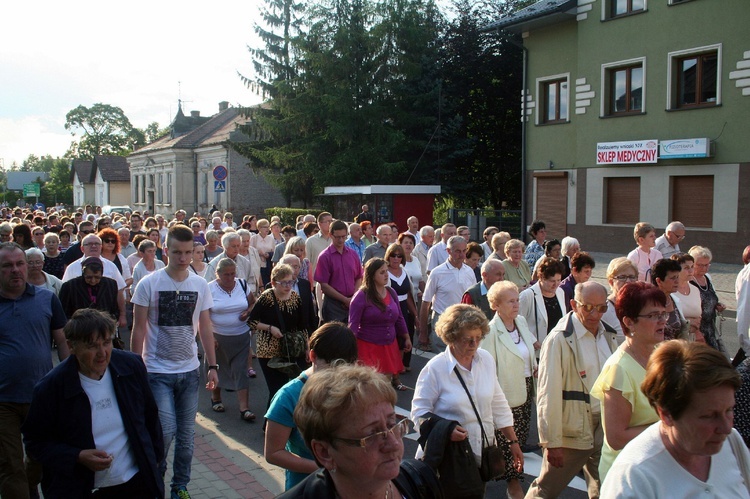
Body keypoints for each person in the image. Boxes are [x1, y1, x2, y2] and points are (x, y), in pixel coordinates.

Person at [21, 309, 164, 499]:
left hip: (135, 484)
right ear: (71, 346)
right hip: (80, 489)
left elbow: (150, 418)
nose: (102, 353)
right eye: (92, 346)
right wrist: (77, 456)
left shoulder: (130, 367)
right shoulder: (51, 388)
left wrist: (154, 461)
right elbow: (35, 443)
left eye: (106, 343)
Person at [130, 225, 219, 499]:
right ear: (165, 250)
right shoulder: (149, 283)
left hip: (189, 371)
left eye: (188, 252)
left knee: (187, 439)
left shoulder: (200, 284)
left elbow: (205, 326)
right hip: (156, 371)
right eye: (177, 252)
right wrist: (137, 368)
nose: (183, 258)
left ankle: (180, 486)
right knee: (165, 430)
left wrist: (212, 366)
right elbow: (138, 328)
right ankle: (154, 480)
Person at [601, 341, 750, 498]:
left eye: (729, 410)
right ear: (666, 415)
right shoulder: (634, 478)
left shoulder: (731, 442)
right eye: (708, 416)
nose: (726, 428)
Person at [412, 304, 523, 498]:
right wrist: (447, 431)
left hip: (480, 456)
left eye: (478, 338)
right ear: (451, 337)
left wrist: (513, 442)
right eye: (468, 339)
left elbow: (498, 403)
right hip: (449, 460)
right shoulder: (435, 368)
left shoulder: (486, 360)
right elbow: (418, 413)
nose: (474, 344)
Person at [280, 364, 433, 499]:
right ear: (324, 452)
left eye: (392, 424)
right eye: (372, 435)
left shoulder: (421, 479)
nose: (394, 444)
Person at [526, 281, 618, 499]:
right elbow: (547, 393)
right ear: (573, 305)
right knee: (546, 489)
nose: (595, 314)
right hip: (572, 428)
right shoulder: (558, 340)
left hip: (604, 426)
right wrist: (552, 442)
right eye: (588, 307)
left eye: (601, 308)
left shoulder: (609, 336)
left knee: (604, 488)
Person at [0, 242, 69, 498]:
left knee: (38, 461)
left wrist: (70, 378)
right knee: (10, 466)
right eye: (7, 266)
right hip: (3, 400)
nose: (15, 270)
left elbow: (62, 341)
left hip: (41, 395)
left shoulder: (46, 298)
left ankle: (30, 488)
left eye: (20, 264)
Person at [265, 323, 358, 490]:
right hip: (307, 488)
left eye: (345, 367)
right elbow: (273, 453)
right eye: (331, 366)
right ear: (313, 356)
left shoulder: (353, 388)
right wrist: (324, 468)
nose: (338, 375)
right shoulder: (288, 397)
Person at [590, 281, 664, 483]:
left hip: (656, 469)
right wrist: (669, 428)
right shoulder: (619, 369)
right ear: (629, 322)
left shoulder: (661, 355)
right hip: (628, 475)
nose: (662, 321)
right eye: (653, 316)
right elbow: (616, 438)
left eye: (662, 314)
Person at [481, 281, 538, 499]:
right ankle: (512, 481)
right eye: (510, 301)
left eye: (517, 300)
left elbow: (529, 350)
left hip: (525, 387)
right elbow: (487, 368)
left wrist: (533, 365)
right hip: (504, 392)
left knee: (520, 436)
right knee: (506, 438)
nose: (516, 305)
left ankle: (512, 474)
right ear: (496, 305)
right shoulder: (490, 332)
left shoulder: (521, 322)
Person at [249, 264, 310, 412]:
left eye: (290, 282)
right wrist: (270, 328)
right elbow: (251, 322)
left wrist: (307, 348)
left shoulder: (295, 298)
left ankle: (280, 423)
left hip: (289, 349)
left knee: (288, 387)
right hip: (268, 350)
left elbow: (302, 325)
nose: (288, 286)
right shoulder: (267, 297)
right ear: (275, 282)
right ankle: (270, 424)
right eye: (284, 283)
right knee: (276, 388)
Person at [350, 258, 412, 390]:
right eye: (382, 272)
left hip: (389, 345)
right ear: (372, 276)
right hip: (368, 346)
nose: (386, 275)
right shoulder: (361, 296)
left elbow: (400, 317)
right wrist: (351, 351)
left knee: (385, 384)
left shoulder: (391, 292)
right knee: (370, 386)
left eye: (386, 271)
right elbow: (353, 325)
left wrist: (406, 337)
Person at [208, 258, 256, 422]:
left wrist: (248, 312)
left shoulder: (242, 284)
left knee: (241, 370)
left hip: (241, 336)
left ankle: (244, 408)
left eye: (232, 274)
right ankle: (216, 398)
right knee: (217, 368)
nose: (229, 277)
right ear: (218, 274)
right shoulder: (209, 288)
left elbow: (252, 303)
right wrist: (209, 337)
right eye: (226, 275)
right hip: (218, 337)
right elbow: (203, 315)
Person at [419, 235, 476, 351]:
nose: (462, 255)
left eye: (464, 251)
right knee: (441, 360)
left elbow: (473, 299)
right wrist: (423, 332)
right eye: (457, 251)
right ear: (448, 251)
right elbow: (425, 303)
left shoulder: (469, 271)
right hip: (443, 321)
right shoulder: (437, 273)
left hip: (464, 321)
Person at [314, 220, 363, 323]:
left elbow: (359, 277)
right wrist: (345, 300)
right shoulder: (325, 256)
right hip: (333, 304)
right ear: (331, 235)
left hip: (352, 300)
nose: (341, 240)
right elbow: (324, 285)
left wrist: (353, 297)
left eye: (343, 236)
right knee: (335, 336)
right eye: (338, 237)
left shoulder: (353, 254)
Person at [385, 245, 419, 372]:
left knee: (405, 339)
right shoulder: (384, 272)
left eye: (399, 256)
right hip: (390, 310)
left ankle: (400, 366)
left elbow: (408, 295)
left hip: (404, 309)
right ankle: (392, 369)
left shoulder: (404, 271)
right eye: (393, 255)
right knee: (393, 339)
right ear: (388, 256)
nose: (396, 258)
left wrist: (415, 315)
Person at [518, 256, 566, 348]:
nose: (556, 284)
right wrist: (532, 341)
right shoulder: (527, 296)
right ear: (542, 278)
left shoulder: (560, 292)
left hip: (556, 347)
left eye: (558, 280)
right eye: (552, 281)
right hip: (536, 350)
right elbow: (517, 322)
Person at [59, 257, 122, 322]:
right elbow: (63, 312)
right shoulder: (70, 286)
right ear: (83, 274)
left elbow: (114, 308)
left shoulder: (111, 284)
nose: (93, 281)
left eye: (97, 277)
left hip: (104, 326)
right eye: (89, 277)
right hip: (78, 327)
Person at [690, 245, 727, 353]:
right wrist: (696, 332)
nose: (704, 268)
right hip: (697, 330)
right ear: (693, 264)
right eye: (700, 265)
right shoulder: (688, 281)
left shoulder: (707, 278)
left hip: (710, 328)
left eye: (707, 265)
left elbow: (711, 297)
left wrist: (717, 305)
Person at [650, 258, 689, 341]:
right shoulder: (649, 303)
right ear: (659, 281)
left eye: (678, 277)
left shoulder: (675, 300)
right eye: (673, 278)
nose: (677, 281)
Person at [600, 257, 638, 338]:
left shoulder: (641, 306)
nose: (628, 281)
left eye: (632, 277)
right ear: (611, 282)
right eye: (622, 277)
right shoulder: (604, 311)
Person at [672, 253, 703, 343]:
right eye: (686, 268)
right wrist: (689, 323)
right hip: (677, 340)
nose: (691, 271)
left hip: (694, 339)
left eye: (692, 266)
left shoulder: (695, 289)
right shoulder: (671, 291)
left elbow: (699, 313)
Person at [398, 232, 426, 304]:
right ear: (400, 244)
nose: (408, 245)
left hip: (416, 299)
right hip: (403, 300)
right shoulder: (397, 260)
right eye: (406, 242)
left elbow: (420, 281)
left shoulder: (416, 260)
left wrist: (426, 294)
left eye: (411, 243)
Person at [251, 219, 275, 286]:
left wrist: (268, 254)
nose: (267, 229)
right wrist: (258, 252)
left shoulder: (271, 239)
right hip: (257, 265)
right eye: (265, 227)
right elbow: (250, 251)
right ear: (259, 228)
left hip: (268, 265)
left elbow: (274, 252)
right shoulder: (254, 238)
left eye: (268, 227)